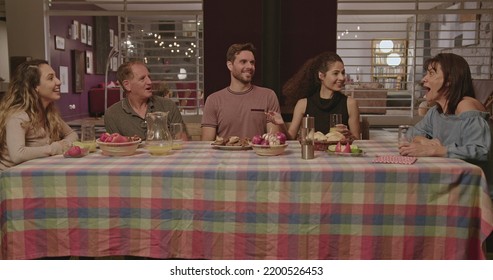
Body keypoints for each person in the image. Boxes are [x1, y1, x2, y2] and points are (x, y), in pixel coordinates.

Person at [399, 53, 491, 161]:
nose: (424, 79)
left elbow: (481, 151)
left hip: (468, 175)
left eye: (431, 73)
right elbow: (411, 133)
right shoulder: (436, 112)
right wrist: (423, 140)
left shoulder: (465, 106)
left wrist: (433, 150)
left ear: (449, 80)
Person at [0, 59, 78, 170]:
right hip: (11, 181)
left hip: (36, 175)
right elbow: (17, 154)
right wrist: (55, 148)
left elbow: (72, 134)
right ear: (34, 86)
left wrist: (64, 143)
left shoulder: (49, 113)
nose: (59, 82)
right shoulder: (19, 116)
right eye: (51, 78)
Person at [201, 43, 282, 141]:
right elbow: (206, 144)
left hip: (259, 155)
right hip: (225, 155)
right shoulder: (213, 100)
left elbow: (273, 140)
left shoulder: (268, 96)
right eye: (243, 62)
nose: (250, 66)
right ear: (230, 65)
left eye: (252, 62)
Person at [281, 51, 360, 140]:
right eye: (335, 73)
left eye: (343, 73)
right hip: (312, 153)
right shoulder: (303, 104)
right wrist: (280, 123)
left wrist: (348, 135)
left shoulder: (350, 104)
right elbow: (291, 137)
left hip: (338, 153)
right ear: (321, 76)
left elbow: (357, 140)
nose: (342, 78)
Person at [104, 60, 189, 140]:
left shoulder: (168, 106)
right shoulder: (112, 115)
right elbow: (114, 148)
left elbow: (182, 142)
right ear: (127, 85)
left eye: (149, 77)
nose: (149, 82)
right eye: (142, 78)